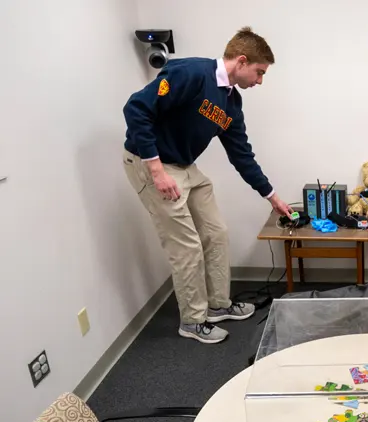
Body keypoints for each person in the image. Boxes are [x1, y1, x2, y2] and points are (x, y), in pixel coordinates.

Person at [122, 27, 292, 344]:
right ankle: (192, 321)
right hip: (152, 163)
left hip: (185, 166)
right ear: (241, 61)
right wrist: (156, 169)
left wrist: (272, 197)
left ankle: (217, 305)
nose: (259, 81)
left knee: (216, 233)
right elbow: (136, 109)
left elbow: (242, 154)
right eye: (259, 72)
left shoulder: (230, 103)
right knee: (186, 247)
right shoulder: (191, 73)